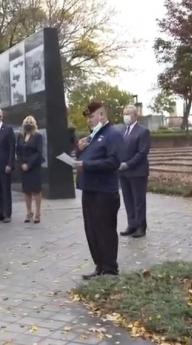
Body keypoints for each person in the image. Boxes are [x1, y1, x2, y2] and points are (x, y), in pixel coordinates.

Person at [71, 100, 123, 280]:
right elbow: (86, 157)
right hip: (89, 189)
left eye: (92, 116)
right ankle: (99, 266)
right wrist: (80, 150)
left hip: (104, 191)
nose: (89, 120)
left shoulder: (112, 134)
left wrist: (86, 165)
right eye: (88, 117)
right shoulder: (93, 135)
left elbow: (113, 162)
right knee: (91, 230)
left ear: (102, 115)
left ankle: (110, 268)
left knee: (105, 230)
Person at [119, 105, 151, 238]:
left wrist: (128, 164)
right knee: (128, 200)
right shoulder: (122, 130)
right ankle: (131, 225)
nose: (126, 116)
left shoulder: (143, 131)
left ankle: (140, 227)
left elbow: (142, 152)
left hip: (137, 172)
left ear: (135, 116)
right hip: (122, 172)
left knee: (138, 201)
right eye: (124, 114)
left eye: (129, 114)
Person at [16, 115, 44, 223]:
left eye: (30, 122)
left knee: (36, 190)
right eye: (26, 122)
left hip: (34, 167)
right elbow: (18, 151)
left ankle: (37, 213)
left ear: (34, 124)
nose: (28, 124)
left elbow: (38, 152)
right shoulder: (20, 136)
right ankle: (28, 212)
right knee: (26, 190)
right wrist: (22, 163)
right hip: (23, 167)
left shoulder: (38, 136)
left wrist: (29, 164)